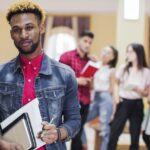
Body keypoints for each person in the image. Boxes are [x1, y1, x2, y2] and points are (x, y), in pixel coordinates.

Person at [0, 1, 81, 150]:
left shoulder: (65, 74)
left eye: (29, 27)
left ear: (41, 28)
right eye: (17, 30)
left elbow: (74, 120)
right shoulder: (1, 74)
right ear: (12, 34)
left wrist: (57, 133)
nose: (23, 35)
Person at [108, 43, 150, 150]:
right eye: (127, 51)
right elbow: (116, 83)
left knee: (135, 136)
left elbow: (146, 93)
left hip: (137, 104)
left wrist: (138, 89)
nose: (128, 54)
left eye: (131, 51)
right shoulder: (123, 68)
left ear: (138, 53)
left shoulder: (146, 72)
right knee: (114, 133)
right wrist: (116, 96)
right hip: (123, 102)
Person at [59, 30, 95, 150]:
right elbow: (59, 78)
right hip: (72, 101)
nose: (87, 44)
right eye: (85, 41)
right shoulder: (66, 56)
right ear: (79, 40)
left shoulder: (89, 60)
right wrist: (78, 80)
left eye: (90, 42)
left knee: (78, 133)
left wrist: (96, 65)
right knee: (73, 132)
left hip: (86, 100)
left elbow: (92, 84)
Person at [87, 46, 118, 150]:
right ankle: (83, 145)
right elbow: (90, 86)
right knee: (81, 120)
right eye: (103, 50)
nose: (104, 53)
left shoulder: (111, 70)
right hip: (95, 97)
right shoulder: (94, 65)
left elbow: (112, 90)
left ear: (112, 57)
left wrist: (113, 110)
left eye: (108, 52)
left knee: (104, 129)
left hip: (105, 97)